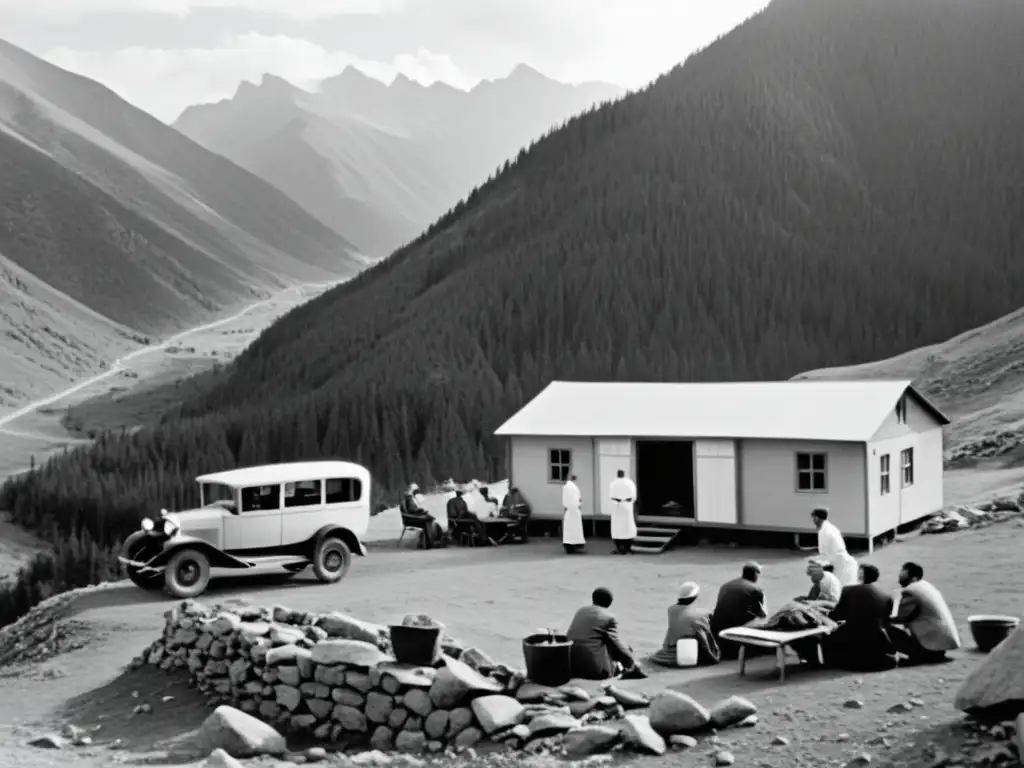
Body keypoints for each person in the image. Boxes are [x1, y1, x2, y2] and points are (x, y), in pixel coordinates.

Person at [821, 564, 897, 671]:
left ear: (861, 575)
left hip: (851, 639)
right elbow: (886, 622)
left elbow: (836, 615)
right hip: (876, 642)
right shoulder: (887, 596)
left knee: (827, 636)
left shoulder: (848, 590)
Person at [889, 561, 961, 666]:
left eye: (903, 572)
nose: (899, 575)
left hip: (930, 645)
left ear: (913, 577)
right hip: (942, 644)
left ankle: (917, 654)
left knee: (886, 628)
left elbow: (899, 616)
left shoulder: (911, 590)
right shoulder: (926, 586)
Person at [566, 587, 646, 680]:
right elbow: (616, 646)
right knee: (625, 649)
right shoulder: (609, 617)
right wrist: (631, 662)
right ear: (610, 602)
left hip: (571, 666)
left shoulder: (581, 611)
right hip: (594, 671)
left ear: (593, 598)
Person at [649, 582, 721, 667]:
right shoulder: (703, 613)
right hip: (695, 650)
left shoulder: (671, 610)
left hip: (674, 648)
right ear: (695, 597)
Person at [710, 562, 768, 660]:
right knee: (762, 621)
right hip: (734, 626)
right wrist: (764, 599)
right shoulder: (756, 589)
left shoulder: (726, 585)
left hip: (716, 624)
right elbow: (763, 615)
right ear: (756, 574)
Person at [811, 508, 859, 586]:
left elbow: (826, 553)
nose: (813, 520)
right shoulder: (827, 528)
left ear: (816, 518)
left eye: (813, 518)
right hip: (839, 562)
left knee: (841, 588)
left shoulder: (826, 531)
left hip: (842, 565)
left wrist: (817, 560)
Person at [402, 484, 444, 549]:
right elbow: (412, 510)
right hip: (410, 520)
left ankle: (428, 542)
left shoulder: (409, 500)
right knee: (427, 521)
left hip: (412, 517)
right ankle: (428, 543)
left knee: (428, 520)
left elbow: (413, 510)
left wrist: (421, 512)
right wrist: (420, 511)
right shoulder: (409, 500)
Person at [608, 470, 638, 554]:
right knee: (628, 528)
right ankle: (627, 548)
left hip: (617, 507)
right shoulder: (630, 483)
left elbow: (611, 496)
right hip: (627, 506)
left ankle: (619, 548)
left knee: (617, 529)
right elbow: (634, 496)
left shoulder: (613, 483)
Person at [562, 475, 586, 554]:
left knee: (568, 530)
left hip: (569, 510)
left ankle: (569, 546)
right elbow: (578, 500)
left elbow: (565, 501)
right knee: (575, 529)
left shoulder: (566, 487)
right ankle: (575, 545)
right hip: (575, 510)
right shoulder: (575, 488)